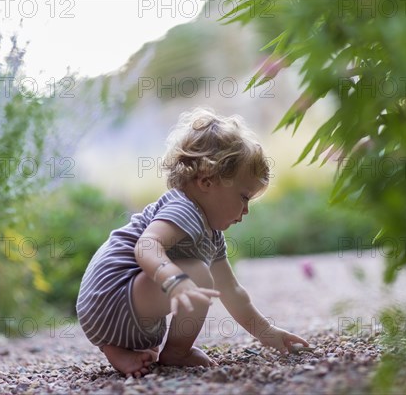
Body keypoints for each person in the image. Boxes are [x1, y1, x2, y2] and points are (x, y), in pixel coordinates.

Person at [76, 107, 309, 378]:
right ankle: (176, 351)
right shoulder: (183, 208)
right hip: (109, 296)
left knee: (196, 282)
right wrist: (174, 279)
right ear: (207, 181)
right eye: (244, 197)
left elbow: (231, 290)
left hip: (117, 312)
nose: (246, 210)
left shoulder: (211, 234)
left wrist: (267, 332)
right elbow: (147, 246)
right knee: (197, 275)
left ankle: (120, 349)